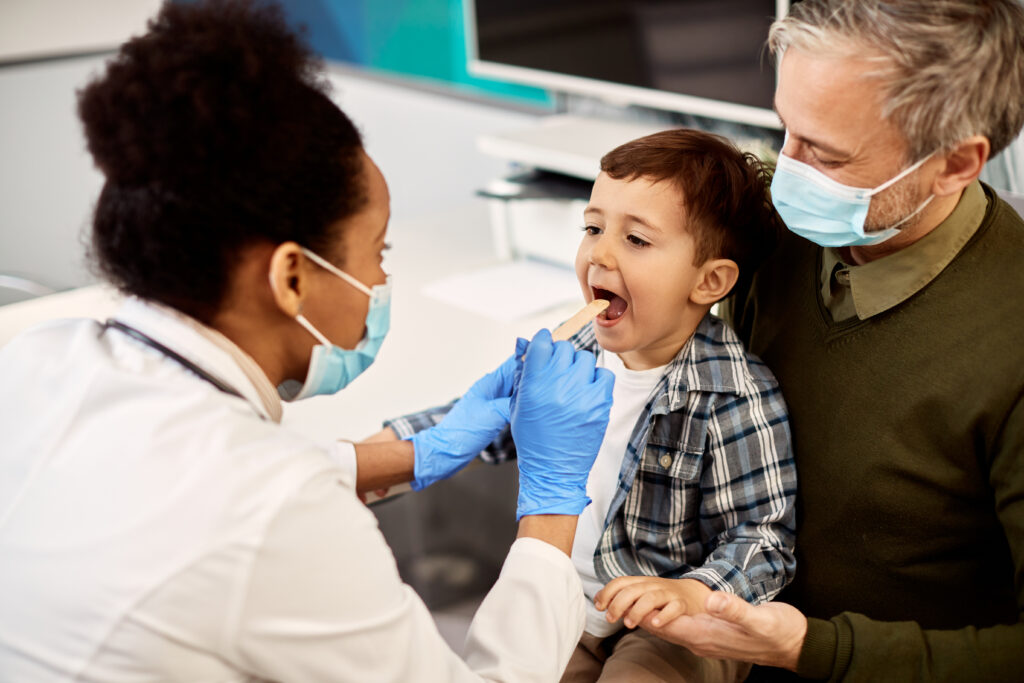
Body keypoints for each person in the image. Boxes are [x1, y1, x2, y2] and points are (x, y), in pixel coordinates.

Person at [0, 2, 617, 681]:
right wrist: (553, 503)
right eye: (376, 251)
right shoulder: (277, 512)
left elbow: (198, 475)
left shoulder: (38, 354)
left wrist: (414, 452)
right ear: (292, 276)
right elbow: (254, 501)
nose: (381, 279)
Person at [631, 1, 1024, 680]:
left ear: (956, 164)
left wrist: (808, 647)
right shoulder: (777, 239)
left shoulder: (1007, 344)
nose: (787, 171)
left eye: (826, 154)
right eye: (785, 129)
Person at [384, 129, 797, 682]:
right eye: (594, 227)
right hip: (572, 602)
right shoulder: (570, 353)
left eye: (637, 240)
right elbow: (476, 419)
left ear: (710, 281)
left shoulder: (736, 396)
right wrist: (389, 448)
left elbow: (764, 539)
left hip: (673, 626)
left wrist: (693, 593)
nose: (599, 253)